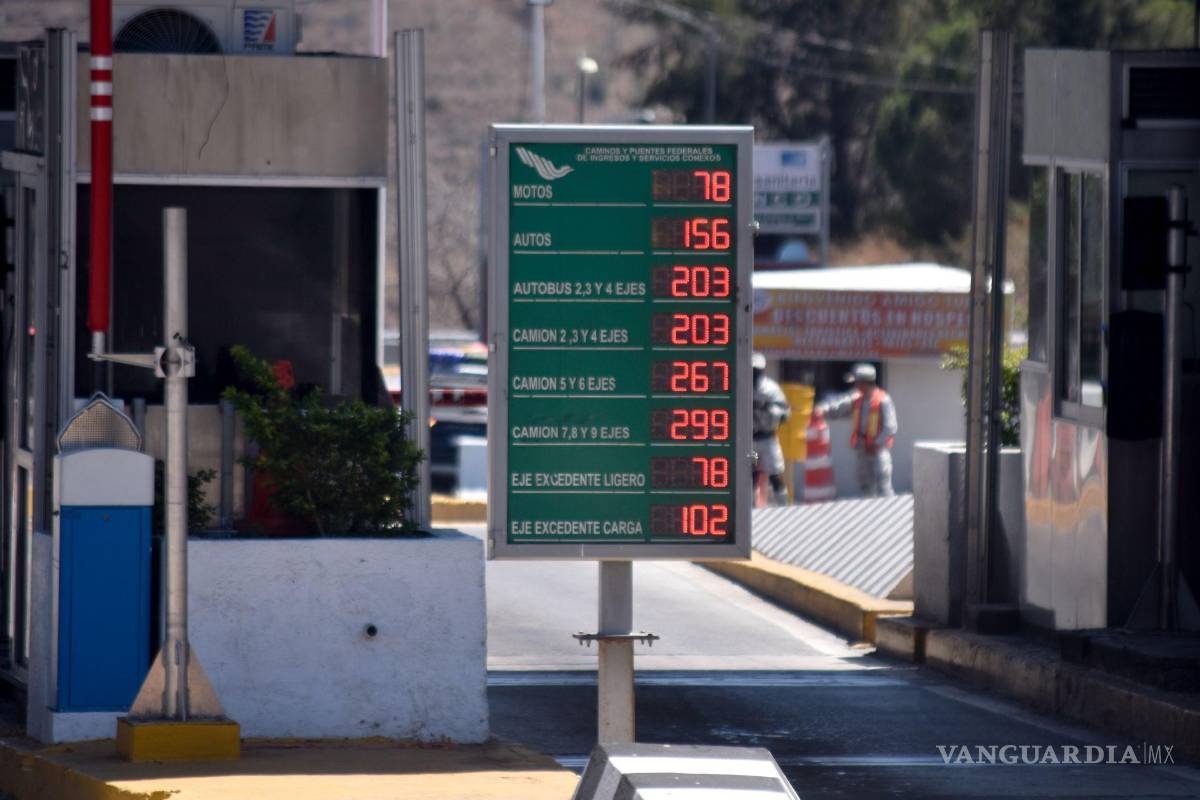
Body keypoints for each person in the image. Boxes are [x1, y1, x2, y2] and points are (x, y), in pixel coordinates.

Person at [814, 363, 897, 497]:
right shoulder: (856, 398)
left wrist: (876, 443)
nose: (855, 386)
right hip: (862, 448)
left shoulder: (884, 400)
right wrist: (821, 409)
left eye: (857, 382)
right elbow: (838, 406)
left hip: (878, 450)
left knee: (883, 485)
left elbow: (890, 427)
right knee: (865, 485)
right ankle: (869, 514)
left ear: (865, 382)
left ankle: (889, 515)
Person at [752, 353, 790, 505]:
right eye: (751, 370)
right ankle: (750, 509)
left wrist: (766, 407)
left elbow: (785, 413)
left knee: (775, 473)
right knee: (751, 473)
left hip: (767, 439)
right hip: (750, 441)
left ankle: (783, 506)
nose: (753, 373)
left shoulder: (771, 389)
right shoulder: (740, 385)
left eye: (756, 370)